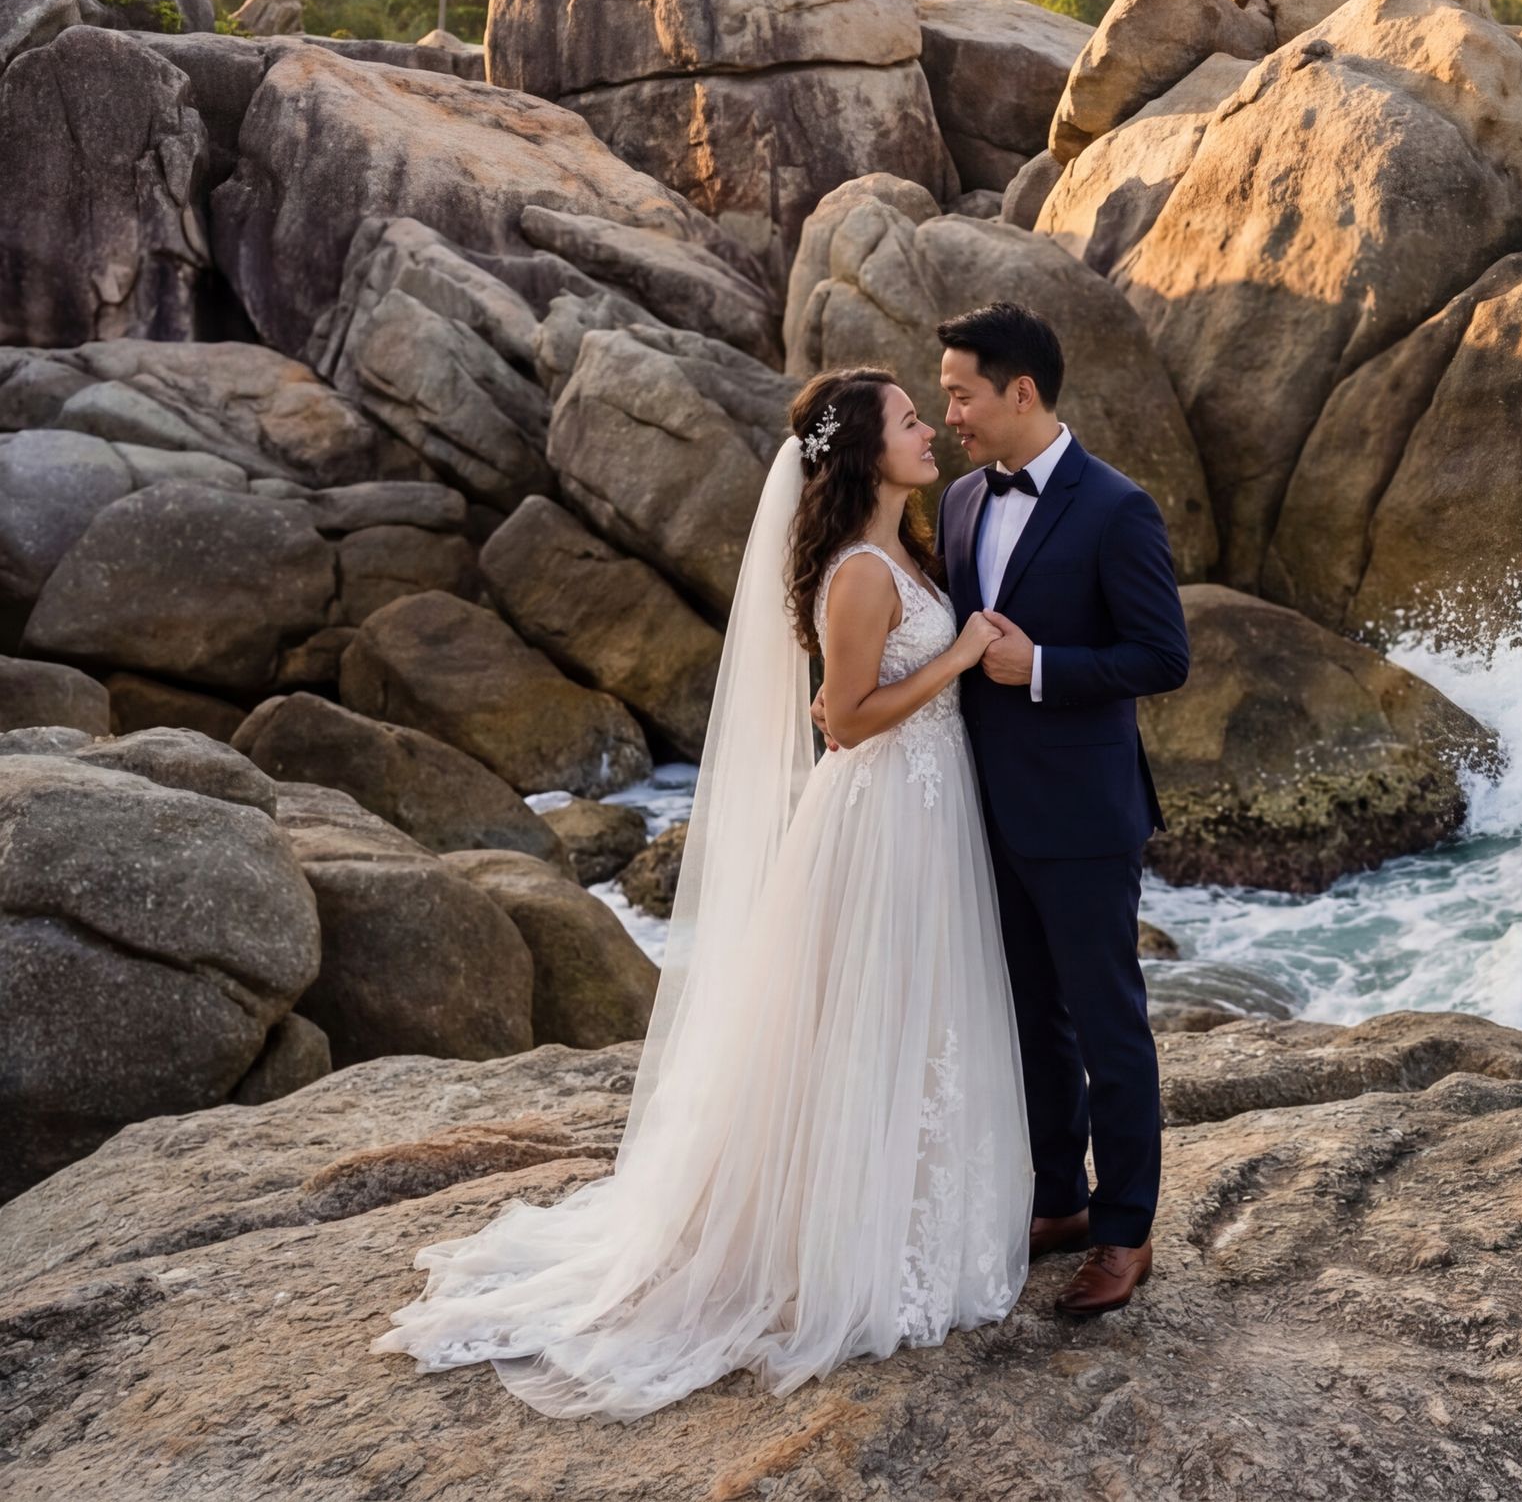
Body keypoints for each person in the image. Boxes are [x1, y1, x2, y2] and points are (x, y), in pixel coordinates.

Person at [374, 368, 1033, 1418]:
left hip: (926, 810)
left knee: (909, 1018)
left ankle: (901, 1224)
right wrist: (957, 654)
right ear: (865, 451)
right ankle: (837, 1253)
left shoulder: (906, 547)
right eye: (910, 420)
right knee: (864, 1022)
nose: (929, 431)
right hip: (880, 822)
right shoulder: (862, 573)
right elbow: (845, 720)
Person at [921, 302, 1189, 1315]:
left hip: (1082, 816)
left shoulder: (1119, 508)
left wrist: (1041, 668)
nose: (951, 411)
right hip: (983, 813)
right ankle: (1058, 1196)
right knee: (1030, 1020)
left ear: (1019, 392)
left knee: (1109, 1025)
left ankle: (1127, 1232)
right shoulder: (955, 503)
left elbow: (1163, 657)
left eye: (961, 393)